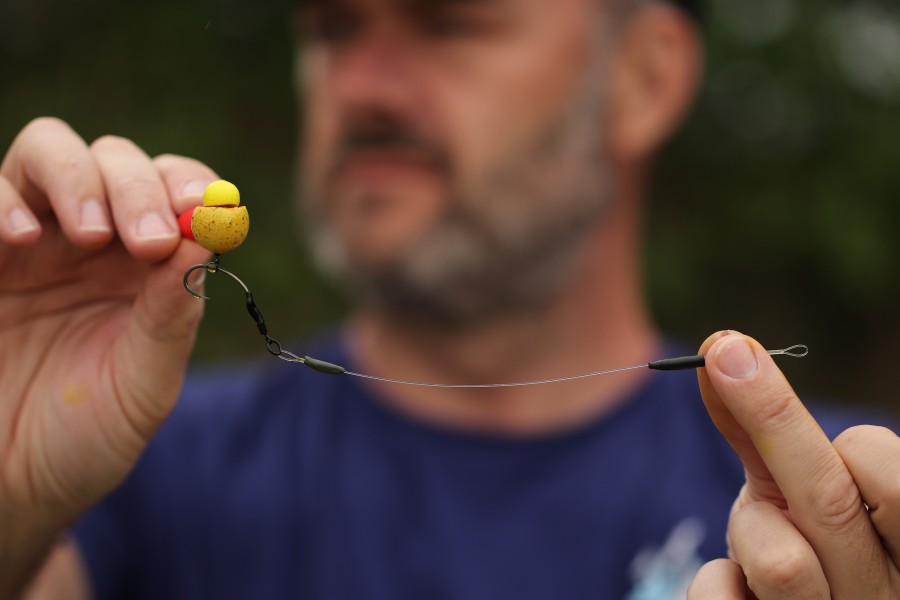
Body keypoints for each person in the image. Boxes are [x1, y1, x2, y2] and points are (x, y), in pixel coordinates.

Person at [1, 0, 898, 598]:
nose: (363, 87)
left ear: (644, 76)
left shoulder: (835, 507)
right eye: (334, 30)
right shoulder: (128, 468)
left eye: (447, 21)